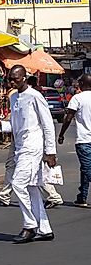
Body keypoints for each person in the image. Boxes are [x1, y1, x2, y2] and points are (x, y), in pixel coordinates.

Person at [7, 66, 58, 242]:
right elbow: (16, 123)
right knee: (32, 188)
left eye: (16, 79)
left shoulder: (35, 96)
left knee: (17, 183)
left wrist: (50, 151)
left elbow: (47, 124)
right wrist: (3, 127)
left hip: (33, 147)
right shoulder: (13, 97)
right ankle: (45, 228)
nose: (12, 82)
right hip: (20, 147)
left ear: (24, 78)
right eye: (10, 79)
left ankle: (30, 226)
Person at [57, 72, 91, 207]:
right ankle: (82, 197)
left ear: (82, 84)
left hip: (84, 140)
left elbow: (68, 117)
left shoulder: (77, 98)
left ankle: (82, 196)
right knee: (85, 169)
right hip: (85, 141)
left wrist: (61, 134)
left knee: (88, 170)